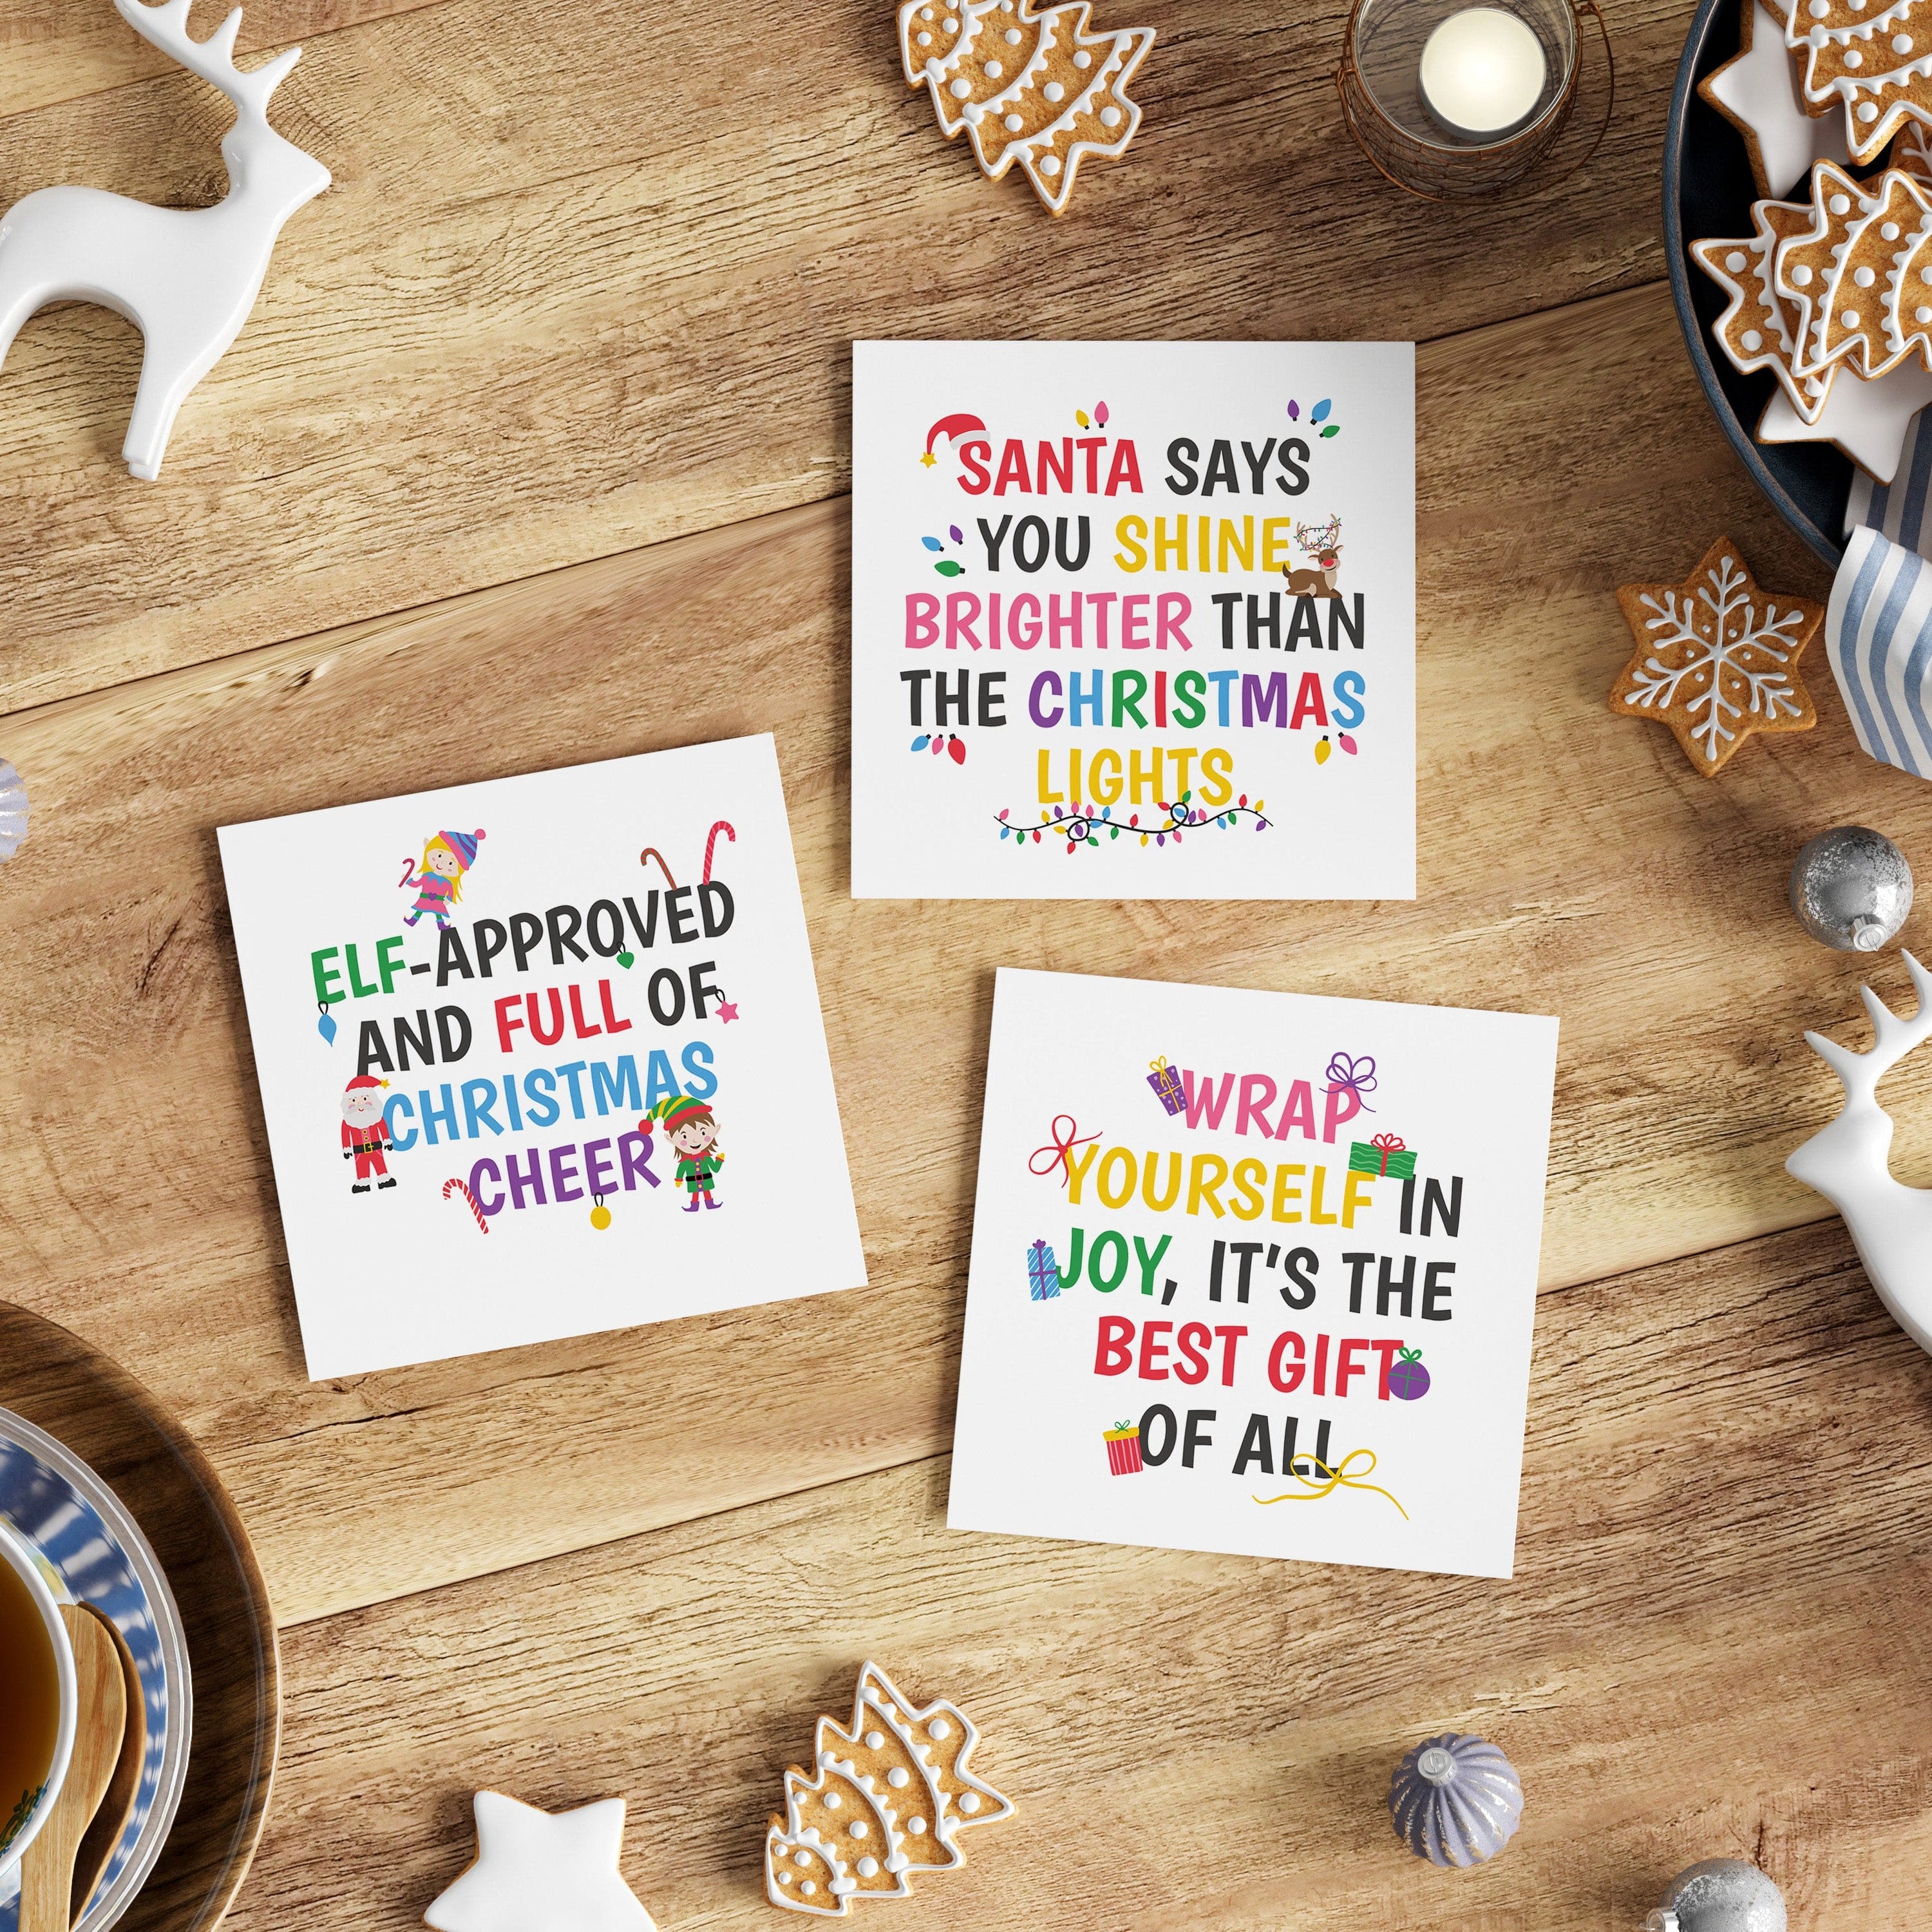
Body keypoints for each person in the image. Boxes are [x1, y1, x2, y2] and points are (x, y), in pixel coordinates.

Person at [647, 1095, 723, 1211]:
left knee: (707, 1192)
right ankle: (694, 1206)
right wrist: (679, 1180)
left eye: (703, 1133)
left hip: (706, 1180)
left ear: (715, 1129)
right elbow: (681, 1171)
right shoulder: (686, 1162)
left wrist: (719, 1160)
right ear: (671, 1140)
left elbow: (715, 1169)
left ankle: (709, 1204)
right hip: (693, 1182)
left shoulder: (706, 1158)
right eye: (685, 1136)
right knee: (695, 1194)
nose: (695, 1140)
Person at [401, 828, 485, 929]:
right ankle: (413, 921)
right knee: (421, 909)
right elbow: (417, 884)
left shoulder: (447, 883)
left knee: (438, 912)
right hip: (425, 898)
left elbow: (450, 891)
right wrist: (409, 880)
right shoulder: (427, 877)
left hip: (438, 901)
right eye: (440, 855)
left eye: (450, 863)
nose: (441, 863)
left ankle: (440, 924)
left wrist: (448, 899)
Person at [341, 1075, 397, 1193]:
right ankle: (363, 1183)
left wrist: (387, 1140)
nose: (360, 1104)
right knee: (361, 1167)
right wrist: (346, 1148)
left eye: (364, 1099)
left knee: (380, 1163)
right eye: (354, 1101)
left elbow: (383, 1127)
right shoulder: (348, 1121)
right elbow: (345, 1135)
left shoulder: (376, 1117)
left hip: (376, 1147)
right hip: (359, 1151)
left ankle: (384, 1179)